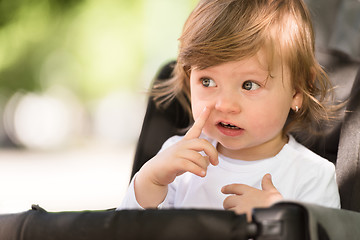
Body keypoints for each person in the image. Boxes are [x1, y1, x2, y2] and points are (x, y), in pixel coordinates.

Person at [118, 0, 340, 219]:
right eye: (207, 82)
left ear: (297, 90)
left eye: (249, 85)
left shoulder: (312, 176)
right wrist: (150, 183)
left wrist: (278, 223)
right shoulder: (177, 160)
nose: (224, 105)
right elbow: (124, 231)